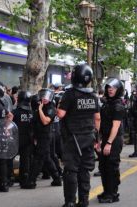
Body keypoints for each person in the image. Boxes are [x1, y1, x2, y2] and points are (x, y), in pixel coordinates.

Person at [57, 64, 100, 207]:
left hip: (72, 138)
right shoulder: (93, 96)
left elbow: (61, 114)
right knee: (85, 170)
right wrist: (97, 138)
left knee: (71, 170)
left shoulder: (69, 94)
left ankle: (70, 201)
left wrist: (58, 105)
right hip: (89, 136)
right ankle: (84, 200)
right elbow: (97, 118)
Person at [22, 88, 62, 189]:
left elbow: (45, 121)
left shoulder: (50, 108)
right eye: (43, 96)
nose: (44, 98)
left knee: (38, 159)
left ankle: (31, 181)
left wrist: (40, 109)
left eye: (46, 96)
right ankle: (57, 179)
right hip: (39, 136)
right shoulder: (40, 106)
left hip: (45, 136)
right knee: (46, 158)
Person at [97, 77, 125, 203]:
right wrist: (101, 139)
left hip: (114, 140)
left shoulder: (118, 105)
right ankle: (106, 190)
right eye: (108, 87)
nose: (110, 89)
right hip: (106, 138)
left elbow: (115, 126)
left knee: (111, 166)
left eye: (113, 87)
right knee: (103, 166)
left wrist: (109, 143)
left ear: (118, 89)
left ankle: (112, 193)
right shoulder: (107, 103)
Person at [12, 91, 34, 187]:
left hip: (16, 139)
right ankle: (24, 178)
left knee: (10, 158)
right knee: (26, 159)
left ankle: (9, 178)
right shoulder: (31, 113)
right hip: (28, 138)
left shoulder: (15, 112)